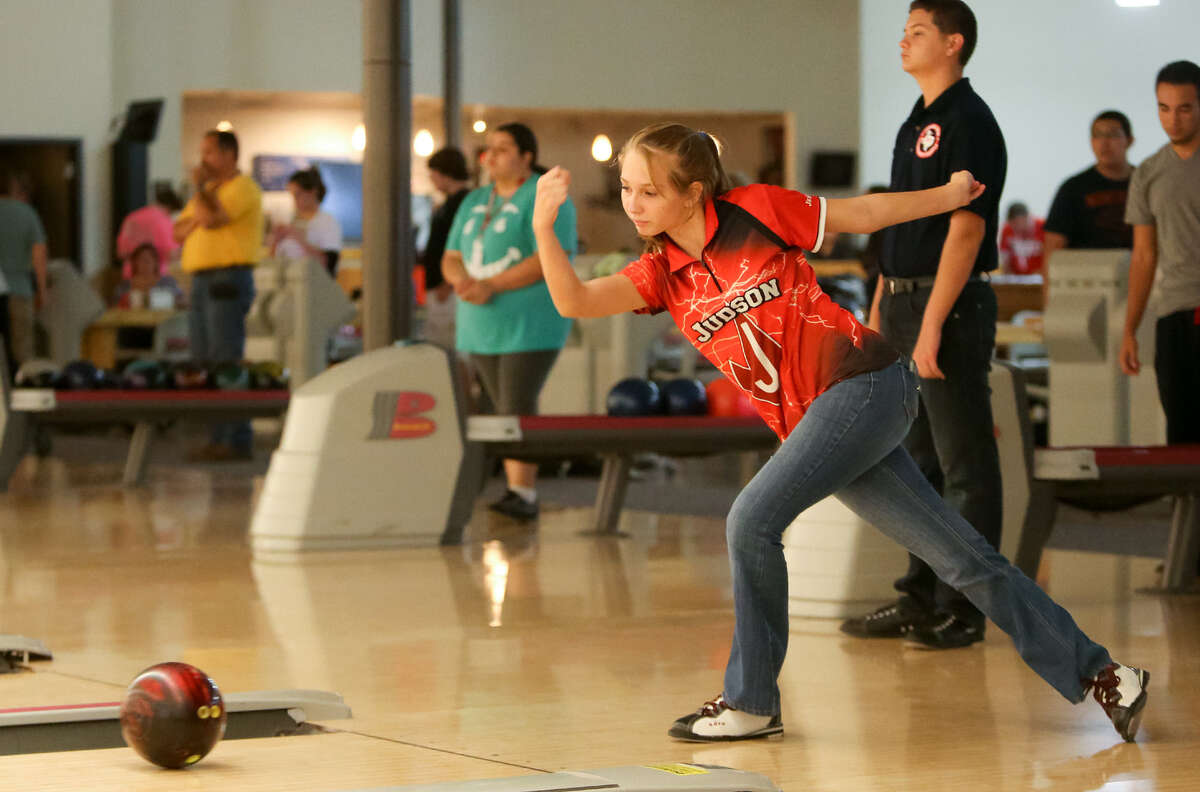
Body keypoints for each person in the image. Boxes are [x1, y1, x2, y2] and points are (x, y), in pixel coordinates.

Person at [532, 122, 1149, 744]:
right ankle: (1108, 674)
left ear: (693, 193)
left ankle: (750, 702)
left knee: (750, 520)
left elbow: (865, 214)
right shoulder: (663, 271)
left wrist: (949, 195)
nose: (633, 205)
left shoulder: (755, 212)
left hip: (866, 384)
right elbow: (574, 301)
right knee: (959, 558)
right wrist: (543, 226)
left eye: (647, 192)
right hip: (823, 420)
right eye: (626, 190)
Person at [841, 0, 1006, 651]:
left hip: (951, 305)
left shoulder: (968, 121)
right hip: (906, 299)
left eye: (917, 32)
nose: (902, 42)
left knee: (965, 460)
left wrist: (933, 322)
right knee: (917, 459)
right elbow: (898, 221)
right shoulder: (919, 120)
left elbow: (966, 228)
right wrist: (884, 305)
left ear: (953, 42)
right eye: (903, 31)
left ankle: (966, 607)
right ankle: (919, 592)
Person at [441, 123, 576, 521]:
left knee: (516, 404)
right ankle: (486, 485)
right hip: (480, 322)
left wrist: (491, 284)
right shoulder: (474, 200)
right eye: (489, 149)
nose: (491, 156)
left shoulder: (545, 195)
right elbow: (451, 255)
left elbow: (549, 255)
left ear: (526, 157)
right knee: (491, 408)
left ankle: (523, 492)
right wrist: (463, 282)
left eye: (503, 148)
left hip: (530, 322)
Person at [1121, 60, 1200, 446]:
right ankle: (1185, 507)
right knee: (1181, 430)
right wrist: (1130, 329)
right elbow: (1143, 256)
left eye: (1184, 108)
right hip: (1172, 314)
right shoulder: (1149, 172)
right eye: (1164, 108)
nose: (1173, 120)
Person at [173, 129, 263, 461]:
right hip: (199, 280)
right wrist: (201, 206)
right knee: (204, 359)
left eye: (209, 152)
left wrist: (200, 198)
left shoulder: (244, 189)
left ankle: (236, 438)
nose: (203, 160)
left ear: (229, 155)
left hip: (227, 278)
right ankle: (217, 437)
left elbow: (210, 221)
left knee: (226, 358)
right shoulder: (210, 191)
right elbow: (177, 231)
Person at [1042, 111, 1136, 302]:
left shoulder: (1146, 184)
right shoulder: (1073, 189)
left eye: (1112, 134)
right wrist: (1049, 302)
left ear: (1129, 140)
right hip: (1084, 285)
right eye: (1097, 135)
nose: (1104, 142)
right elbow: (1053, 247)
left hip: (1135, 282)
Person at [420, 147, 472, 349]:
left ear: (445, 173)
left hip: (447, 286)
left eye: (433, 173)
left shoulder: (464, 202)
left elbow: (465, 246)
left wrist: (448, 284)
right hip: (437, 281)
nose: (431, 178)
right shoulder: (447, 203)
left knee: (448, 344)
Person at [0, 162, 48, 377]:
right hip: (20, 287)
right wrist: (42, 289)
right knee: (23, 347)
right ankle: (23, 391)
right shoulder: (27, 213)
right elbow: (39, 253)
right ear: (13, 186)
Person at [269, 167, 342, 276]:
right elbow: (274, 261)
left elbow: (328, 265)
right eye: (292, 195)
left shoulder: (327, 222)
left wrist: (299, 238)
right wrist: (275, 241)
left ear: (313, 192)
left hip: (314, 285)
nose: (295, 200)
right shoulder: (291, 221)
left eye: (298, 194)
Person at [116, 182, 183, 279]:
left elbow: (121, 253)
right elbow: (171, 253)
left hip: (130, 275)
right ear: (170, 208)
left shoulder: (132, 217)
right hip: (155, 277)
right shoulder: (163, 220)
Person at [998, 202, 1044, 275]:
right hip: (1017, 278)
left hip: (1040, 276)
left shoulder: (1043, 227)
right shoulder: (1007, 230)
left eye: (1018, 222)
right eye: (1013, 223)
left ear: (1027, 217)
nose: (1016, 227)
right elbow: (1005, 260)